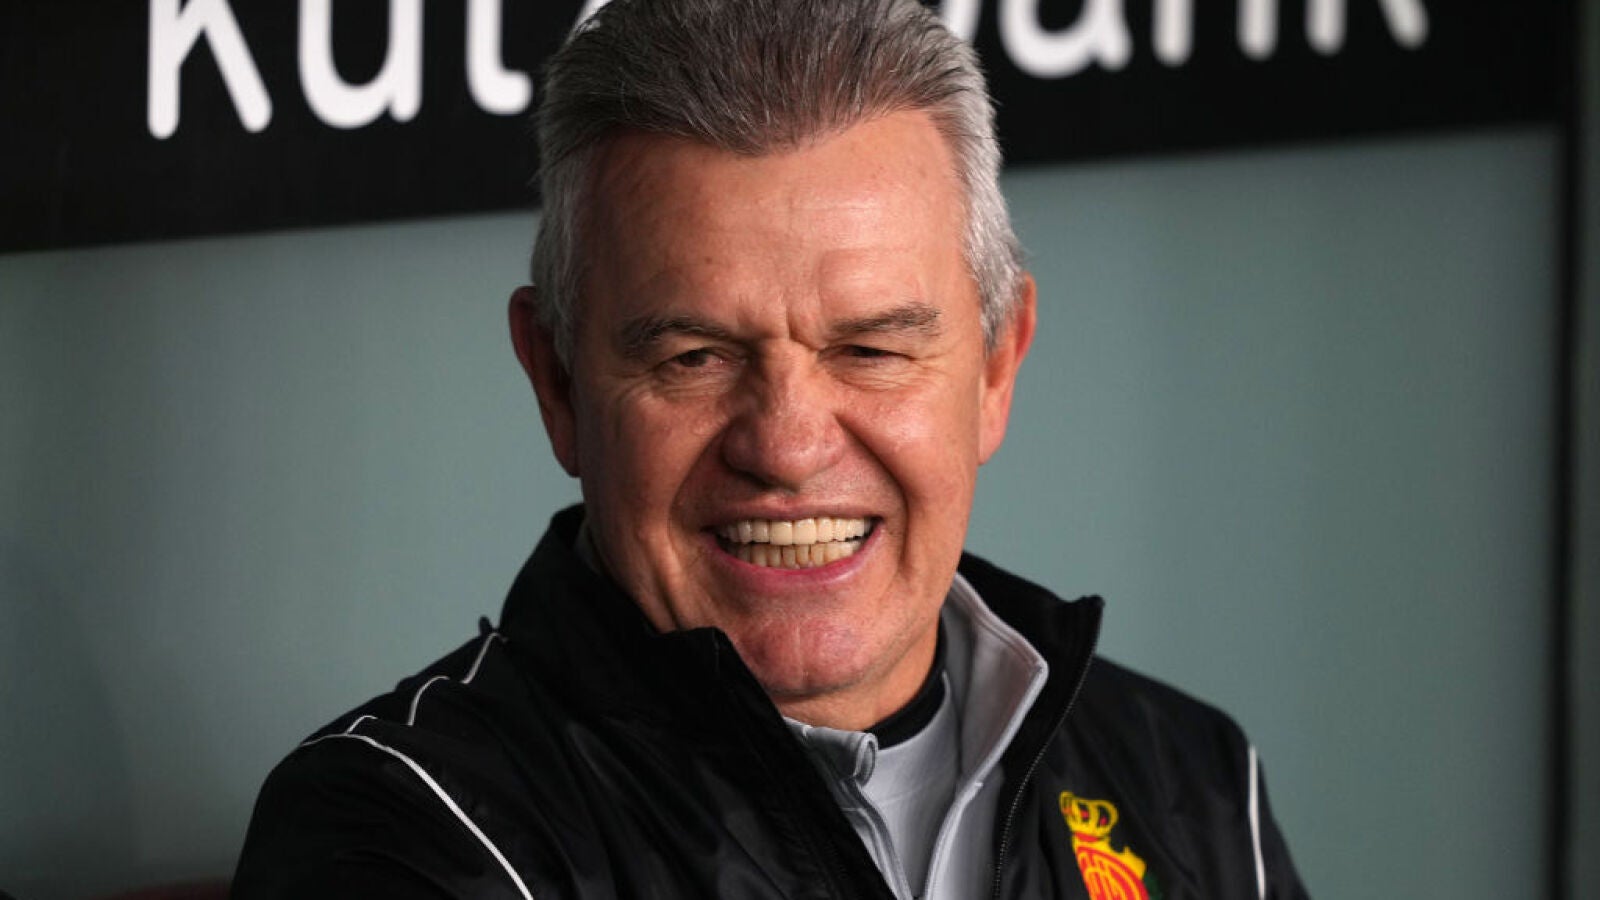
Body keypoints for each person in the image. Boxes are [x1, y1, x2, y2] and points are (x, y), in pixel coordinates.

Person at [233, 0, 1309, 897]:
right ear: (556, 382)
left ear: (996, 369)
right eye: (695, 357)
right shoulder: (395, 837)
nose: (788, 447)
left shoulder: (1189, 784)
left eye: (870, 350)